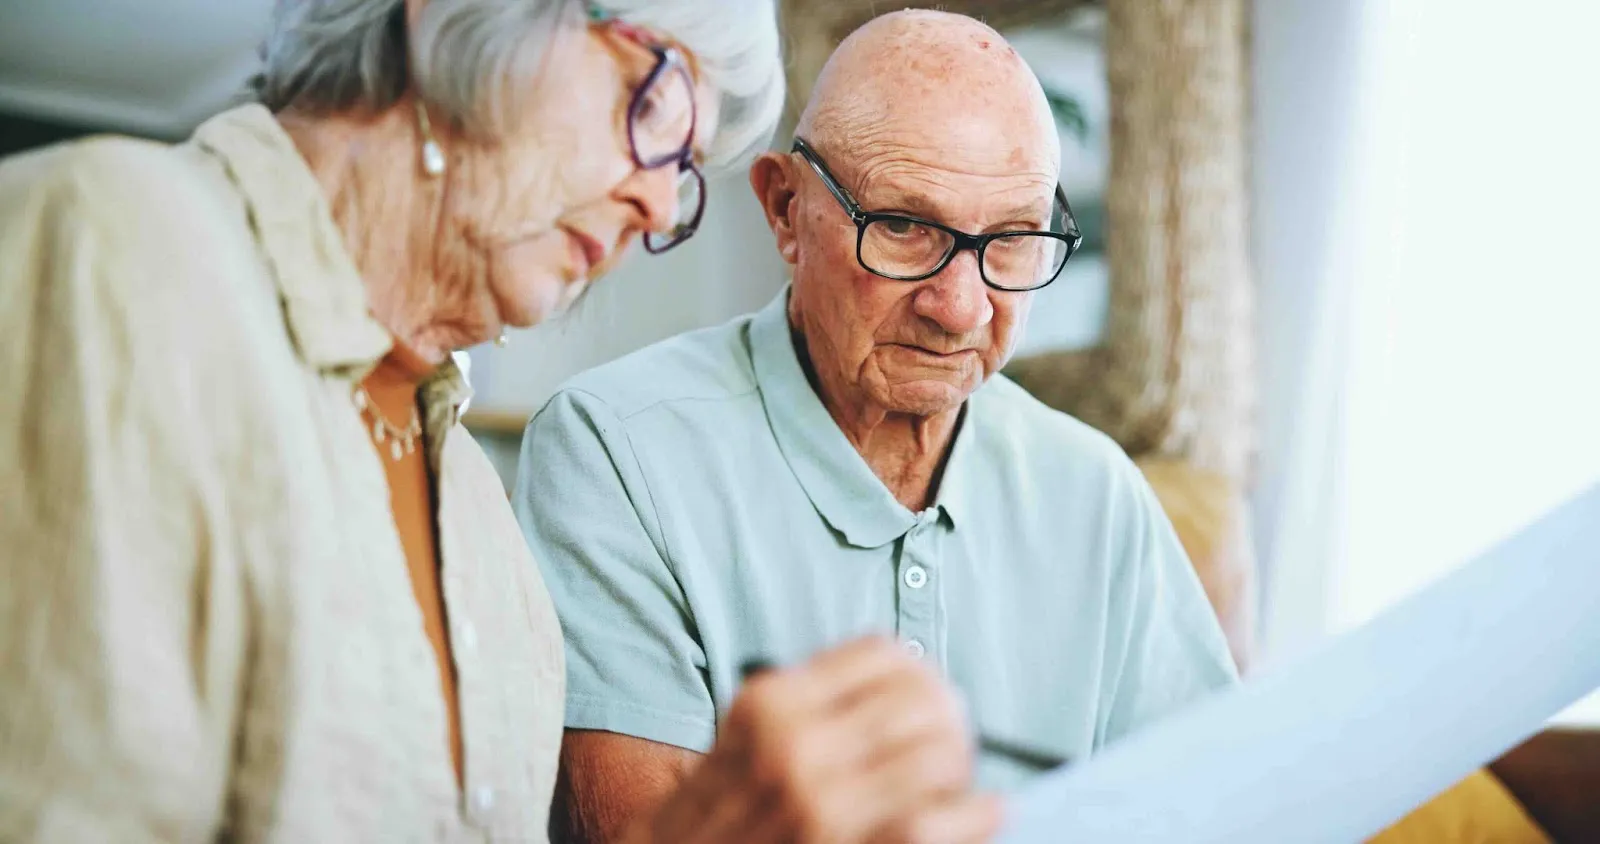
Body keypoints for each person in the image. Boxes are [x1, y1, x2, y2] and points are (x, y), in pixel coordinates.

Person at [0, 2, 997, 842]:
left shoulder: (479, 514)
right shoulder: (118, 239)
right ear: (454, 21)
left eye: (684, 170)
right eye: (650, 104)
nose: (657, 207)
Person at [515, 8, 1242, 840]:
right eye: (902, 227)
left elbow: (1212, 809)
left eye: (1012, 240)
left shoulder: (1096, 490)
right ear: (785, 210)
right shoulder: (614, 449)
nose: (961, 308)